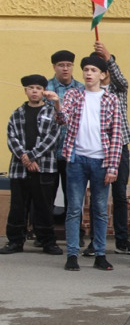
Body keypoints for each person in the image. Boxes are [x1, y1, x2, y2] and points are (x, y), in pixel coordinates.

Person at [44, 55, 122, 272]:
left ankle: (100, 254)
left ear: (102, 75)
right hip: (76, 159)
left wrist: (113, 166)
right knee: (74, 209)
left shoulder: (111, 100)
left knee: (99, 209)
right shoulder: (73, 95)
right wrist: (57, 103)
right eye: (86, 69)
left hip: (101, 161)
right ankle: (72, 254)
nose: (89, 73)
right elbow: (62, 120)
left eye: (94, 70)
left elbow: (116, 135)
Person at [1, 74, 62, 256]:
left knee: (44, 206)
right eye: (30, 88)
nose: (34, 91)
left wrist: (33, 156)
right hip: (20, 168)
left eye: (38, 88)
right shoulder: (17, 113)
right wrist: (25, 158)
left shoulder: (51, 112)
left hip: (44, 167)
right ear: (25, 91)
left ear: (44, 91)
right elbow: (11, 137)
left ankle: (47, 241)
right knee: (18, 206)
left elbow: (53, 137)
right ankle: (15, 241)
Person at [92, 41, 130, 256]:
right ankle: (95, 241)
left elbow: (122, 80)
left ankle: (121, 240)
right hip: (96, 149)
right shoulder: (89, 92)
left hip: (119, 146)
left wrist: (108, 58)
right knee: (97, 196)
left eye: (104, 68)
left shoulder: (118, 90)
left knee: (119, 195)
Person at [46, 50, 84, 228]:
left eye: (68, 65)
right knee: (47, 194)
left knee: (73, 195)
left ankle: (74, 231)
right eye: (61, 65)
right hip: (50, 151)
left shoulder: (80, 88)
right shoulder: (46, 89)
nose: (65, 69)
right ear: (54, 67)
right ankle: (45, 234)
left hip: (72, 151)